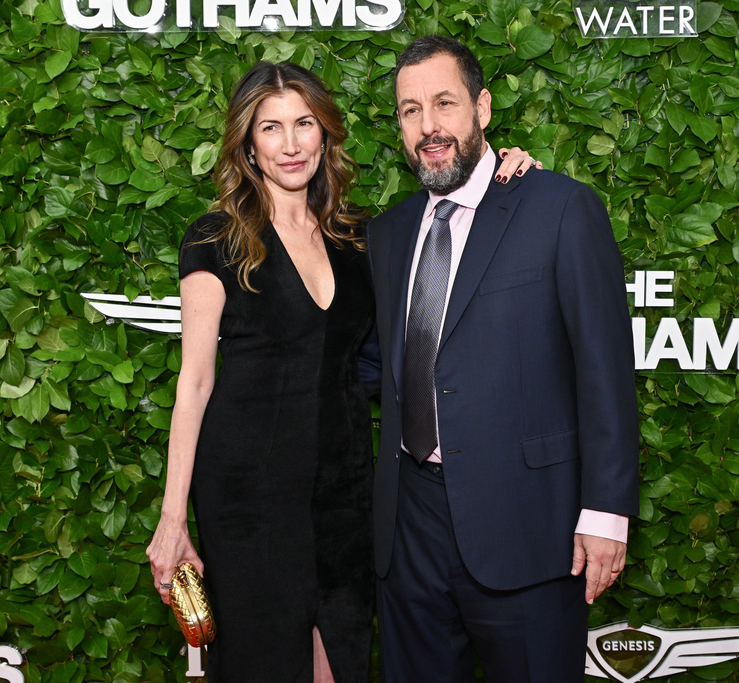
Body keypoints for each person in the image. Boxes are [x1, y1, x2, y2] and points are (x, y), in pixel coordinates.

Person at [145, 60, 539, 683]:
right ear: (248, 144)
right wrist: (173, 522)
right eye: (270, 128)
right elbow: (193, 383)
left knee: (343, 661)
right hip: (249, 495)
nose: (292, 143)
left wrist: (502, 173)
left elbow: (443, 288)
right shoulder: (217, 238)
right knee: (263, 663)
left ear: (325, 133)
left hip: (346, 492)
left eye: (304, 123)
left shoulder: (358, 238)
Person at [362, 36, 640, 682]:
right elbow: (373, 365)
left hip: (529, 529)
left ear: (482, 108)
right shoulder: (389, 233)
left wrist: (606, 513)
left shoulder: (559, 208)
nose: (428, 126)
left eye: (444, 103)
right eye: (409, 111)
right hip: (410, 534)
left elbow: (604, 370)